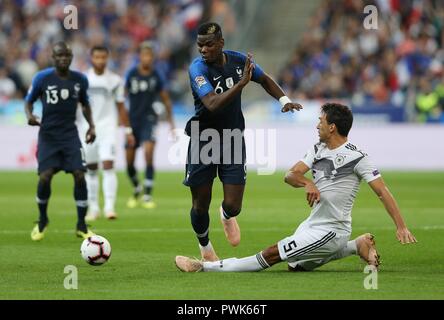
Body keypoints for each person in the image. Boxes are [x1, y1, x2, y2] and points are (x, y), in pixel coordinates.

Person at [175, 102, 417, 272]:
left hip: (332, 229)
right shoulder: (317, 149)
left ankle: (205, 267)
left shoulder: (357, 157)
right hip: (312, 224)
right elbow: (290, 175)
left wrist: (401, 226)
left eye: (320, 121)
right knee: (296, 265)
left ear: (332, 127)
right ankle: (357, 245)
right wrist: (307, 182)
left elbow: (382, 191)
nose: (317, 125)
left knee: (271, 255)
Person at [183, 22, 303, 262]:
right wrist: (241, 84)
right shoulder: (197, 69)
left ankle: (227, 216)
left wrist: (283, 100)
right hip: (203, 139)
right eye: (200, 46)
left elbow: (264, 78)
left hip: (232, 139)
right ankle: (205, 247)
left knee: (234, 205)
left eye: (208, 45)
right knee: (200, 203)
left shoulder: (237, 61)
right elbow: (212, 104)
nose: (203, 50)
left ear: (221, 43)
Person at [25, 42, 96, 241]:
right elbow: (29, 100)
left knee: (80, 175)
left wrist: (92, 126)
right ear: (53, 57)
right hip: (48, 135)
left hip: (70, 135)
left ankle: (81, 225)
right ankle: (42, 219)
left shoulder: (80, 79)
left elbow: (85, 104)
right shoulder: (42, 78)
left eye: (67, 55)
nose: (63, 58)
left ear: (71, 57)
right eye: (59, 55)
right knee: (45, 176)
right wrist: (30, 115)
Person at [77, 45, 135, 221]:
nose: (100, 61)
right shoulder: (82, 79)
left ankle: (109, 207)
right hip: (86, 128)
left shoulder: (115, 80)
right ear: (91, 58)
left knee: (108, 165)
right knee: (91, 169)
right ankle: (93, 208)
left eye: (103, 57)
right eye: (97, 57)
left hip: (108, 128)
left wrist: (127, 129)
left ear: (107, 58)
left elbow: (121, 106)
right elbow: (77, 105)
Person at [125, 41, 175, 209]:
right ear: (140, 56)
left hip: (149, 119)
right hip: (133, 121)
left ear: (152, 58)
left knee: (148, 153)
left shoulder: (156, 75)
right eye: (144, 55)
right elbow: (121, 97)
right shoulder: (131, 74)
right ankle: (137, 188)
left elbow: (166, 99)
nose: (147, 58)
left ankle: (147, 195)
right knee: (129, 163)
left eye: (150, 56)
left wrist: (171, 123)